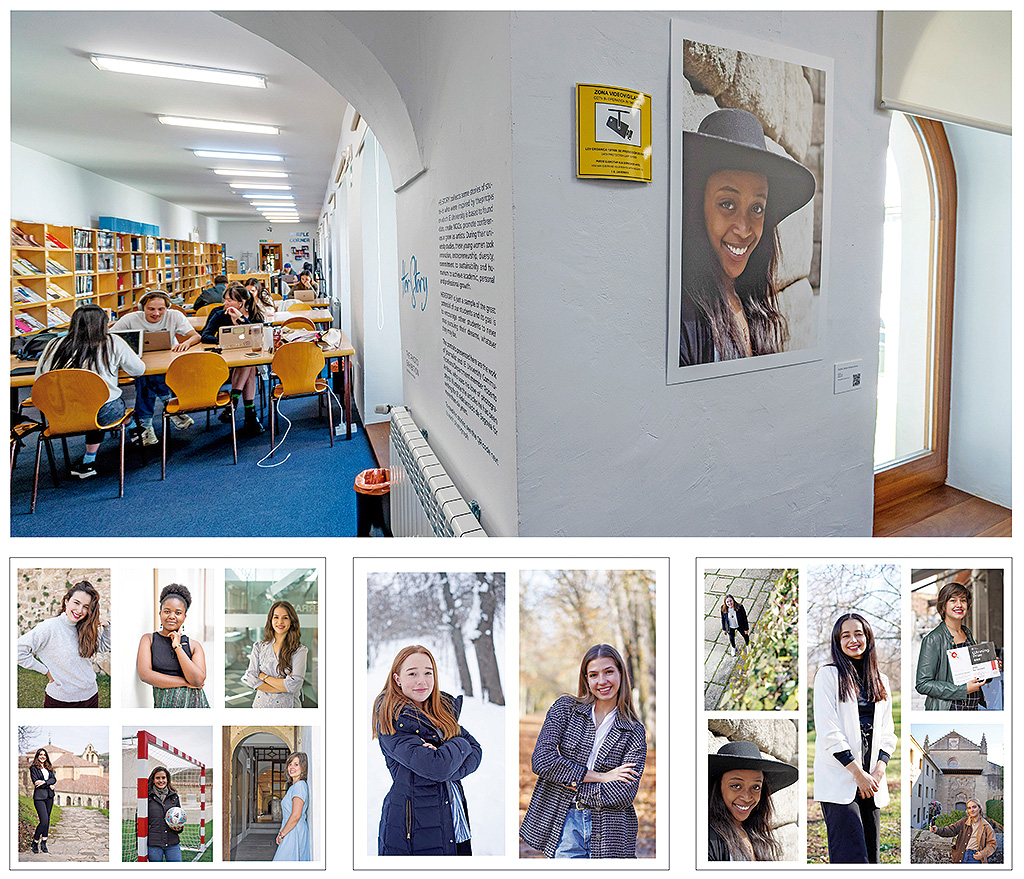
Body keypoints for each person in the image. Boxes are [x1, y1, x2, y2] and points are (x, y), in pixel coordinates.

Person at [679, 108, 815, 366]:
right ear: (699, 207)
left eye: (757, 208)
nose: (743, 229)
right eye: (727, 204)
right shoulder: (684, 320)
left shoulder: (752, 303)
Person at [520, 644, 647, 858]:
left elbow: (623, 793)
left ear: (620, 674)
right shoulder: (566, 709)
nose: (602, 681)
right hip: (566, 825)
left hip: (611, 831)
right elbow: (542, 761)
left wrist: (567, 781)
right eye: (594, 675)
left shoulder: (634, 730)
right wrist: (603, 777)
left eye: (608, 672)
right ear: (586, 679)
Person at [372, 645, 482, 855]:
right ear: (397, 679)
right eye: (412, 673)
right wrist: (458, 746)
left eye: (427, 673)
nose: (421, 681)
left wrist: (446, 760)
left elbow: (476, 750)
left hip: (452, 817)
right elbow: (439, 767)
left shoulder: (441, 712)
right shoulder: (393, 719)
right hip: (413, 826)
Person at [813, 613, 897, 863]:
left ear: (868, 637)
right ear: (837, 641)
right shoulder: (828, 676)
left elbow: (888, 731)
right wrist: (858, 774)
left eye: (858, 633)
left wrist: (877, 773)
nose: (853, 640)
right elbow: (828, 731)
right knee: (850, 858)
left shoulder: (881, 680)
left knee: (871, 858)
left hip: (871, 783)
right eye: (845, 635)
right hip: (840, 780)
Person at [34, 304, 145, 478]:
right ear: (103, 324)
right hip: (103, 413)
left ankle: (90, 461)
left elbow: (39, 379)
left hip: (60, 413)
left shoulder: (53, 344)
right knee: (105, 404)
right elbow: (138, 370)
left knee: (91, 404)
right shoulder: (112, 341)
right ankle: (130, 427)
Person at [111, 290, 202, 445]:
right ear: (142, 308)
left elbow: (195, 336)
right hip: (142, 361)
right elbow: (109, 338)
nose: (156, 313)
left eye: (161, 309)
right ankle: (170, 404)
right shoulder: (130, 318)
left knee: (145, 377)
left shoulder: (174, 316)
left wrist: (185, 343)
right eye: (151, 309)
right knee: (145, 373)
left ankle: (145, 425)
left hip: (167, 362)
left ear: (167, 308)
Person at [17, 580, 110, 708]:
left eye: (86, 607)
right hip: (61, 701)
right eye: (76, 603)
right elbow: (17, 651)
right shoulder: (49, 627)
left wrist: (108, 627)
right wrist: (46, 672)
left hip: (91, 696)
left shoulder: (85, 628)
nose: (79, 610)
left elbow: (105, 646)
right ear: (66, 601)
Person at [708, 739, 798, 861]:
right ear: (718, 787)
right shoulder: (708, 839)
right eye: (736, 786)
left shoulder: (754, 833)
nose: (746, 797)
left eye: (755, 787)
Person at [916, 575, 995, 710]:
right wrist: (962, 690)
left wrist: (990, 669)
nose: (959, 605)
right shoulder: (933, 639)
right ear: (943, 606)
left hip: (972, 706)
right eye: (953, 600)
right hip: (949, 709)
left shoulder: (967, 633)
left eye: (963, 600)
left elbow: (974, 672)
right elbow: (922, 684)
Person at [200, 283, 266, 435]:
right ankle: (250, 414)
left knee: (249, 364)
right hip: (224, 364)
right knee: (249, 366)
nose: (225, 303)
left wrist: (242, 319)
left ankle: (234, 403)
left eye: (229, 300)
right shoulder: (219, 314)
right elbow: (205, 335)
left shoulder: (255, 314)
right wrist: (223, 340)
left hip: (247, 362)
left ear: (241, 302)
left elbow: (259, 335)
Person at [136, 583, 209, 708]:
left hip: (195, 705)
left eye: (178, 613)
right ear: (160, 614)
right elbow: (145, 675)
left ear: (184, 617)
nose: (171, 616)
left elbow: (197, 680)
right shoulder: (148, 639)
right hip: (164, 705)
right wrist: (185, 683)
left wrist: (177, 647)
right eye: (167, 611)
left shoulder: (194, 646)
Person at [241, 600, 307, 708]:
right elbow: (251, 678)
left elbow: (294, 685)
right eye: (276, 617)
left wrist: (263, 677)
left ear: (291, 621)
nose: (280, 621)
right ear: (271, 620)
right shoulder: (259, 647)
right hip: (260, 706)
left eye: (285, 618)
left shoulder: (299, 651)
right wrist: (282, 687)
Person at [930, 799, 997, 863]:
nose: (972, 810)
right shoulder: (963, 822)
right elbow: (951, 830)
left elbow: (992, 844)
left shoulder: (986, 826)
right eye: (969, 808)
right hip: (962, 854)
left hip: (975, 857)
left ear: (979, 808)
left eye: (974, 807)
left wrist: (982, 854)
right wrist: (937, 830)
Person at [273, 752, 311, 861]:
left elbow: (295, 815)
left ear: (303, 768)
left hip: (294, 831)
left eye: (296, 764)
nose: (291, 767)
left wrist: (282, 835)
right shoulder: (293, 787)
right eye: (290, 764)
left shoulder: (300, 786)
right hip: (289, 829)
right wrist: (281, 832)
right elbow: (287, 815)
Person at [145, 766, 184, 862]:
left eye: (163, 777)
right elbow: (139, 822)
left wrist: (179, 828)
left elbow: (179, 817)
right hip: (154, 844)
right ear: (153, 780)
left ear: (167, 779)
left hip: (172, 842)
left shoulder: (174, 796)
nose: (161, 780)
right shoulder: (146, 797)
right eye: (158, 778)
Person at [29, 748, 57, 853]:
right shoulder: (33, 768)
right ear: (37, 756)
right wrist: (49, 784)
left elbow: (54, 779)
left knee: (48, 820)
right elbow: (36, 782)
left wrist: (45, 783)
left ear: (46, 756)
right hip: (39, 797)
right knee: (43, 821)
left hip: (50, 797)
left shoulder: (49, 767)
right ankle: (35, 841)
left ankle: (44, 842)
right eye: (40, 754)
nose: (42, 756)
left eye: (44, 755)